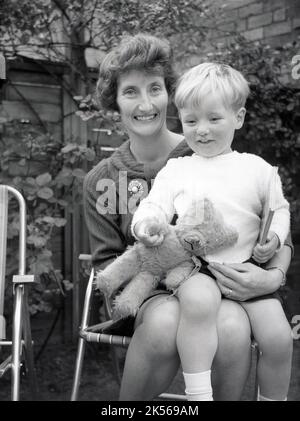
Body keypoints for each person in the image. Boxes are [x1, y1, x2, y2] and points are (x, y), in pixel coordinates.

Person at [83, 33, 293, 401]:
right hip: (145, 293)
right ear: (114, 101)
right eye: (131, 91)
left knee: (230, 325)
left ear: (170, 94)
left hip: (219, 286)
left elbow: (260, 222)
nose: (145, 103)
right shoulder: (102, 180)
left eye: (155, 88)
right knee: (166, 321)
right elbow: (105, 265)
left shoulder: (203, 147)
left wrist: (271, 276)